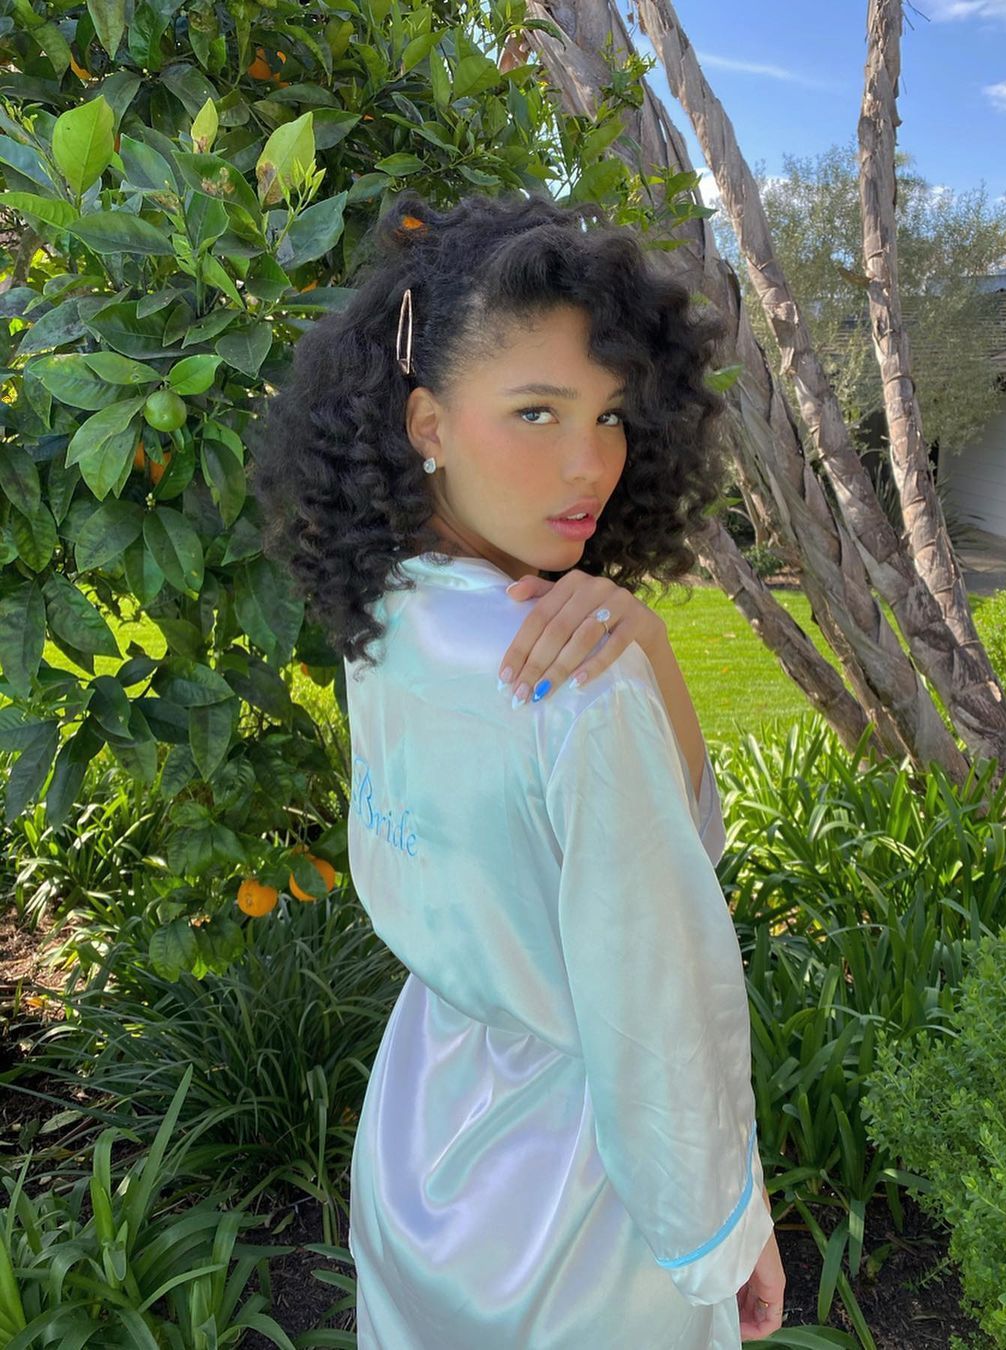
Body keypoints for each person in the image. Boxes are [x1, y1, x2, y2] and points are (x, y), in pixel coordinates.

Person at [251, 188, 786, 1348]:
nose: (589, 463)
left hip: (422, 1146)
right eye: (536, 411)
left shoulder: (389, 612)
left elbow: (660, 845)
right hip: (577, 1220)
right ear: (428, 423)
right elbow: (659, 993)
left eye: (610, 415)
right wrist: (727, 1226)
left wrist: (647, 641)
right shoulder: (571, 685)